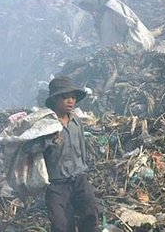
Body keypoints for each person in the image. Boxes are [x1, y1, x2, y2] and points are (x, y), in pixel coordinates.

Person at [27, 76, 100, 231]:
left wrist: (84, 168)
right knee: (61, 224)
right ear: (54, 100)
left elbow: (81, 147)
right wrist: (49, 142)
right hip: (57, 183)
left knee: (90, 215)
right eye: (65, 97)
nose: (70, 101)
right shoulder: (46, 125)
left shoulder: (76, 122)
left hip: (79, 178)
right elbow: (30, 150)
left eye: (73, 97)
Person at [79, 0, 154, 51]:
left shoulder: (112, 8)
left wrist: (127, 49)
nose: (92, 12)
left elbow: (131, 30)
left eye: (91, 6)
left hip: (132, 53)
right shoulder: (102, 17)